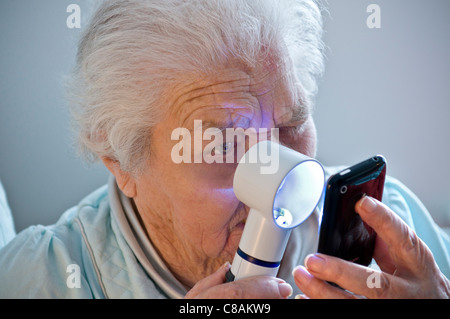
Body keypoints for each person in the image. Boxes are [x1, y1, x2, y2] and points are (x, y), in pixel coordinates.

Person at [0, 0, 448, 299]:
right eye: (224, 145)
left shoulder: (392, 236)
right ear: (122, 163)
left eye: (292, 123)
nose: (284, 175)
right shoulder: (42, 278)